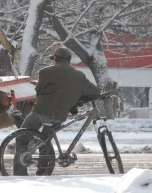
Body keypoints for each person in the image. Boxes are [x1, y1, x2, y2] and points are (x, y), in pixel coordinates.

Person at [15, 47, 100, 175]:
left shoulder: (45, 72)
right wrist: (75, 101)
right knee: (44, 139)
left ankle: (20, 173)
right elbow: (95, 93)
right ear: (68, 61)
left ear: (55, 59)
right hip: (60, 115)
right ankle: (43, 171)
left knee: (21, 137)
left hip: (41, 112)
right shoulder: (79, 75)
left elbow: (38, 91)